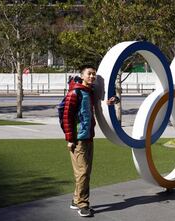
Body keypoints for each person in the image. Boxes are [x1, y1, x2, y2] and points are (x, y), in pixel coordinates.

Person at [63, 65, 117, 217]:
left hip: (88, 137)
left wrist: (111, 101)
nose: (92, 77)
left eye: (94, 74)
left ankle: (76, 200)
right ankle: (83, 205)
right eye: (89, 74)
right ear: (82, 75)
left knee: (83, 172)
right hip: (78, 139)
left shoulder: (90, 91)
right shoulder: (75, 92)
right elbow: (67, 117)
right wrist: (70, 139)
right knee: (83, 172)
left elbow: (99, 104)